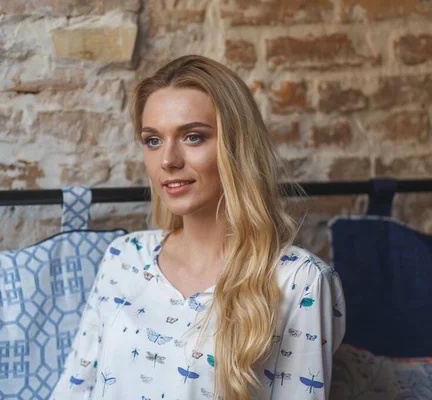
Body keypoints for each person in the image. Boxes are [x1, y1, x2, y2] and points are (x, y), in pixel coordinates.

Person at [50, 55, 345, 400]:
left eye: (192, 137)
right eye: (153, 140)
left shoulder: (299, 280)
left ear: (236, 148)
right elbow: (76, 387)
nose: (168, 161)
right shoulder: (124, 256)